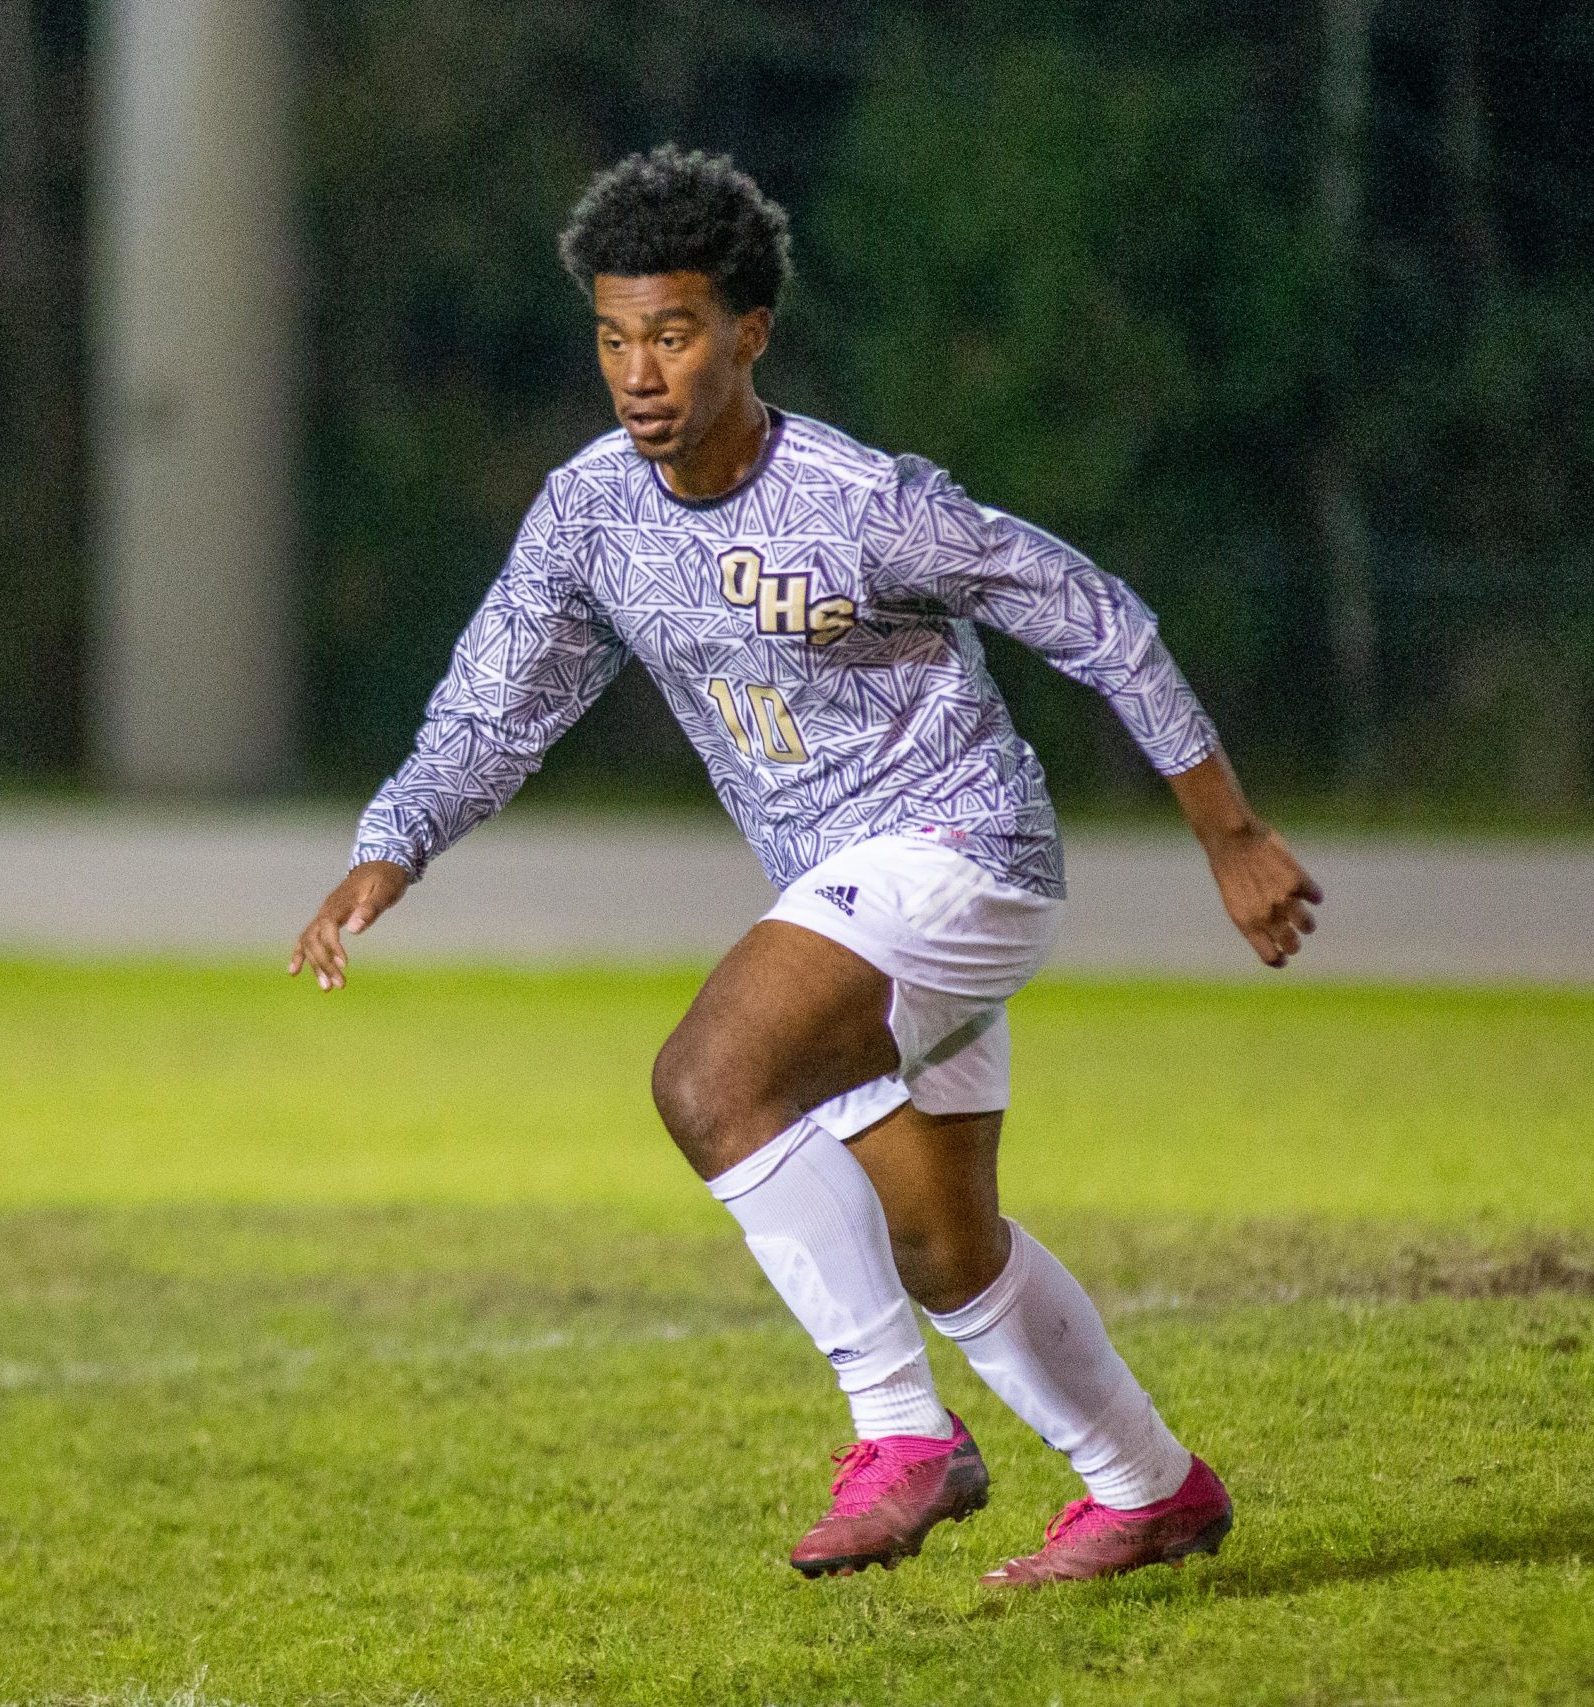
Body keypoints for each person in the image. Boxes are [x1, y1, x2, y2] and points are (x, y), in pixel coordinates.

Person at [289, 145, 1321, 1586]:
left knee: (712, 1079)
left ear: (749, 331)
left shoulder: (863, 501)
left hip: (963, 849)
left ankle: (905, 1435)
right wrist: (389, 846)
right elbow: (496, 698)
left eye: (675, 330)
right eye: (613, 335)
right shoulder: (592, 511)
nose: (640, 369)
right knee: (944, 1248)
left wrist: (1231, 830)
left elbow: (1095, 611)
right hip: (853, 897)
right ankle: (1149, 1484)